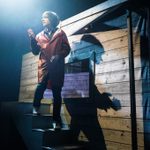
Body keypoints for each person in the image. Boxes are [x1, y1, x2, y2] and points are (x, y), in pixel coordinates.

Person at [27, 11, 70, 129]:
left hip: (57, 67)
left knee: (57, 94)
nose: (42, 19)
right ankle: (36, 106)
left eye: (45, 17)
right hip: (44, 65)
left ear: (51, 19)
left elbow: (67, 49)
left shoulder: (60, 33)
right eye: (42, 18)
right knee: (40, 86)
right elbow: (35, 51)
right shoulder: (39, 35)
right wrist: (31, 38)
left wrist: (59, 56)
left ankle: (57, 121)